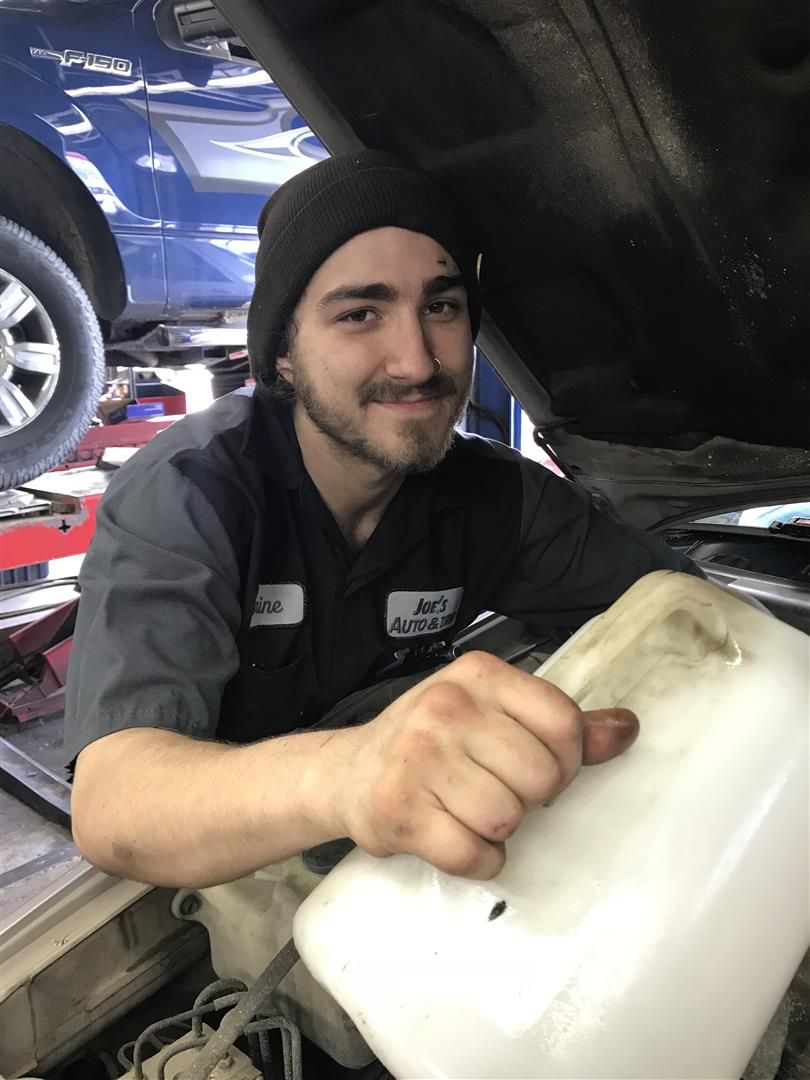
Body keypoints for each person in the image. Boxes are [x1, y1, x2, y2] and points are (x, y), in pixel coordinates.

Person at [65, 150, 701, 890]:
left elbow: (687, 612)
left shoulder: (496, 500)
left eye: (441, 307)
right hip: (230, 862)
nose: (416, 360)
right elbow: (115, 804)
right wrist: (349, 772)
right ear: (283, 356)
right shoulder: (193, 490)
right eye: (360, 313)